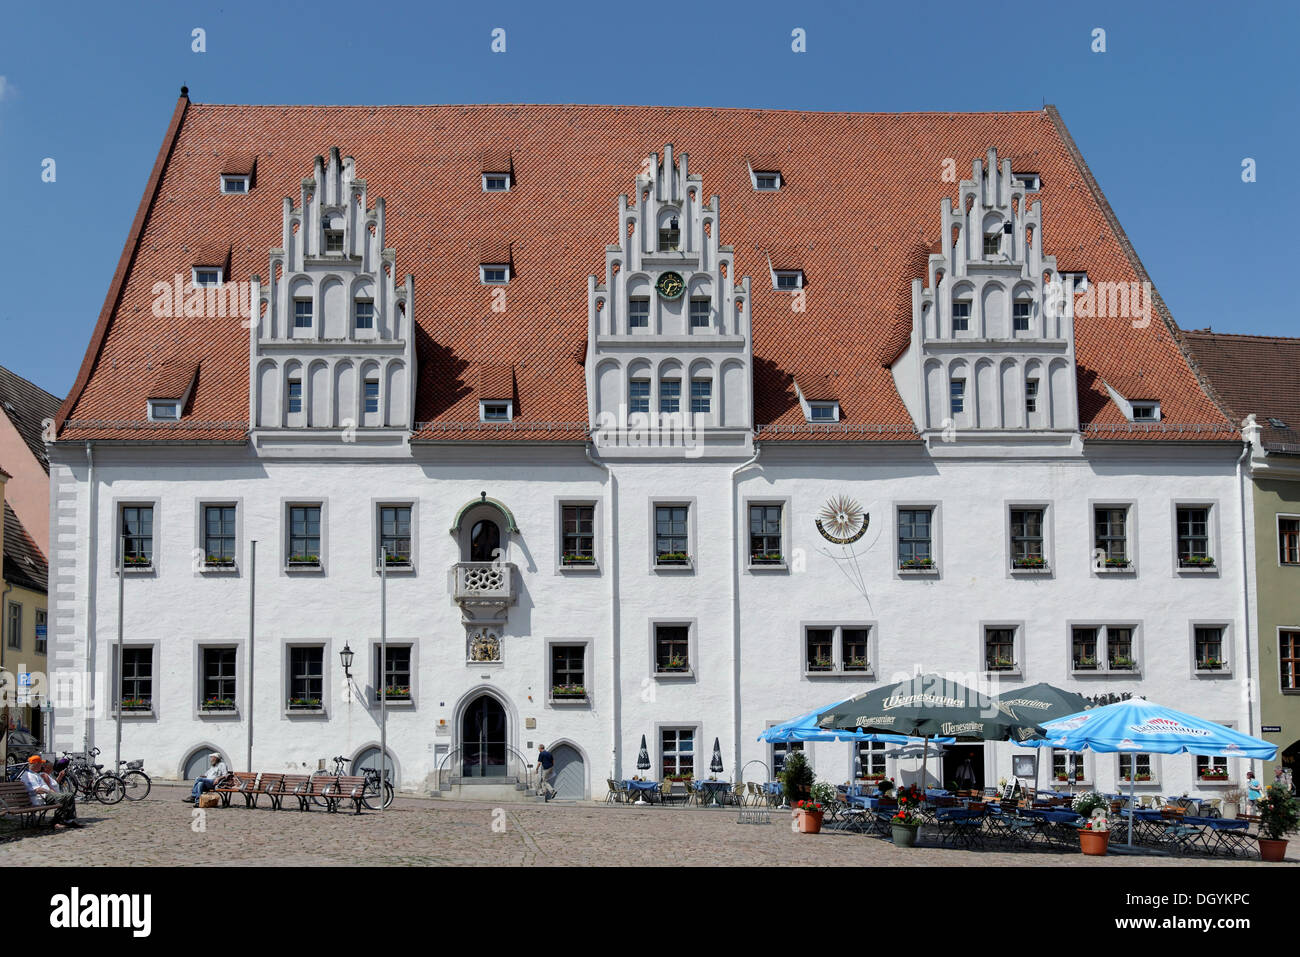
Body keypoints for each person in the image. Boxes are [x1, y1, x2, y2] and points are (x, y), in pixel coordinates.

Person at [19, 755, 82, 829]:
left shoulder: (34, 774)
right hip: (40, 798)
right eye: (40, 764)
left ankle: (67, 820)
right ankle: (57, 821)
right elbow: (37, 789)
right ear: (36, 764)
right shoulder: (29, 776)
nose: (41, 766)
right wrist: (50, 792)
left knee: (68, 796)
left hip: (45, 796)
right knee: (67, 797)